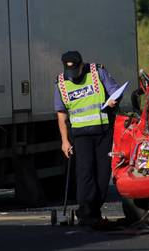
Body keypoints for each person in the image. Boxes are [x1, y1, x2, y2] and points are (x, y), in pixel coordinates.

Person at [54, 51, 119, 226]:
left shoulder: (97, 72)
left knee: (103, 174)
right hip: (81, 136)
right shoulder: (61, 82)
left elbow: (115, 91)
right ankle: (87, 213)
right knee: (85, 173)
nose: (73, 75)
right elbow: (61, 115)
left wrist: (113, 100)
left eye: (76, 70)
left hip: (102, 132)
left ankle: (93, 211)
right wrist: (65, 141)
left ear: (81, 65)